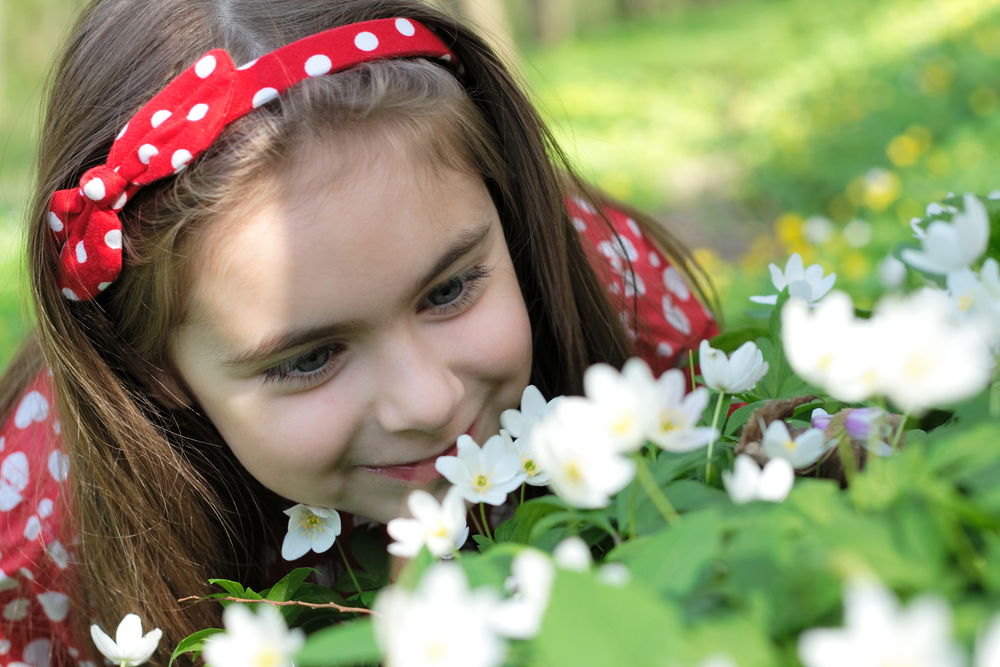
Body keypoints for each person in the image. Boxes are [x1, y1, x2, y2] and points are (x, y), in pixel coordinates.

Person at [0, 0, 718, 663]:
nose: (428, 403)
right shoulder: (45, 551)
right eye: (310, 357)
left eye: (450, 289)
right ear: (152, 365)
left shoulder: (612, 294)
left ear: (504, 202)